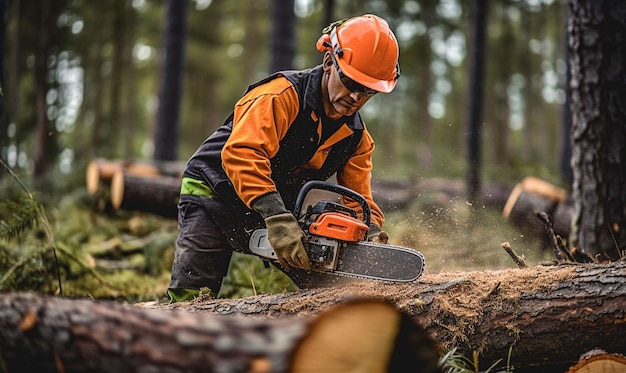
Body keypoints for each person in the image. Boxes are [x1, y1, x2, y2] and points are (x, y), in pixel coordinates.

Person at [167, 14, 400, 302]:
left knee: (329, 286)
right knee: (193, 293)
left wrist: (371, 231)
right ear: (329, 62)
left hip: (274, 204)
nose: (356, 97)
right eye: (351, 82)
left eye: (368, 91)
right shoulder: (281, 96)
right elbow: (242, 153)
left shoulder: (356, 138)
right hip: (213, 190)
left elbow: (358, 196)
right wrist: (276, 216)